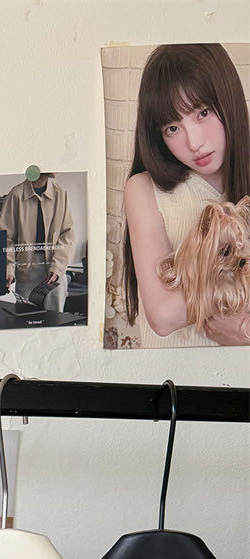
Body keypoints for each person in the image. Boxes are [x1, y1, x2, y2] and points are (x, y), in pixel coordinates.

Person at [122, 43, 250, 347]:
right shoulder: (144, 189)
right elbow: (163, 315)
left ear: (228, 100)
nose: (194, 142)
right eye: (172, 128)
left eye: (202, 113)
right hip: (176, 372)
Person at [0, 173, 74, 312]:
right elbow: (5, 237)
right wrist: (9, 268)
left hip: (55, 268)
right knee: (26, 317)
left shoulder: (61, 194)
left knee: (55, 319)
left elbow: (66, 235)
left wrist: (57, 267)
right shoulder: (16, 194)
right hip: (26, 270)